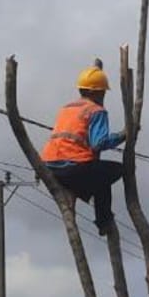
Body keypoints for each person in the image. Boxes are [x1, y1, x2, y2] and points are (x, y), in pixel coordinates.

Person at [41, 60, 128, 235]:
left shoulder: (67, 108)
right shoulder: (96, 111)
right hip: (73, 167)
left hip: (49, 166)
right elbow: (98, 143)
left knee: (100, 178)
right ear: (98, 92)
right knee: (120, 170)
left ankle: (100, 215)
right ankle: (103, 221)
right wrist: (124, 135)